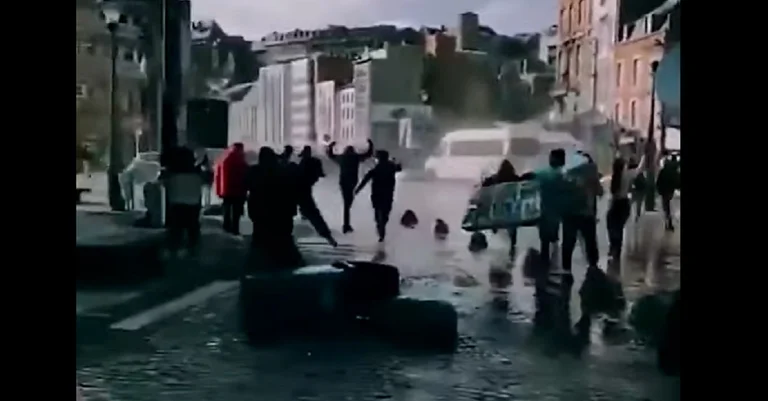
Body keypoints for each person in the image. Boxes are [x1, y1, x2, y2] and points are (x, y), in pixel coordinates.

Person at [246, 147, 304, 269]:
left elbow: (246, 185)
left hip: (259, 213)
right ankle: (285, 266)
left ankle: (257, 268)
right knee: (283, 241)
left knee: (259, 241)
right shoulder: (282, 172)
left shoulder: (253, 171)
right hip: (280, 215)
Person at [560, 151, 603, 283]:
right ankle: (593, 266)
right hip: (586, 213)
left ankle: (566, 269)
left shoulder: (567, 172)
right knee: (590, 240)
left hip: (570, 213)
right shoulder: (591, 171)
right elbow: (599, 191)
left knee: (568, 242)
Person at [161, 146, 203, 258]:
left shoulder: (172, 173)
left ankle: (174, 250)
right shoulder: (196, 172)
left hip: (176, 203)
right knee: (192, 227)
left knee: (176, 229)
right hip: (193, 203)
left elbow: (164, 183)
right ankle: (192, 250)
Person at [327, 139, 374, 233]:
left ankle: (346, 223)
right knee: (348, 202)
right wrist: (370, 144)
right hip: (352, 182)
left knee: (347, 202)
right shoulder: (355, 158)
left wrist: (331, 146)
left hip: (344, 182)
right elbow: (368, 154)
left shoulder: (342, 158)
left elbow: (330, 155)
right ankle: (346, 225)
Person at [355, 150, 402, 242]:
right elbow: (399, 168)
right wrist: (396, 162)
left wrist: (358, 190)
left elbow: (365, 179)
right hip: (388, 194)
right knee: (385, 213)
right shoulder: (391, 167)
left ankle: (380, 228)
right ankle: (382, 227)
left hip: (377, 194)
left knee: (378, 213)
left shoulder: (376, 169)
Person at [606, 154, 645, 260]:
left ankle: (613, 247)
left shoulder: (613, 177)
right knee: (619, 228)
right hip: (624, 204)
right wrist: (644, 156)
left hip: (614, 204)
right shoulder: (627, 175)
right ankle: (617, 250)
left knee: (612, 227)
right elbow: (639, 169)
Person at [481, 160, 522, 260]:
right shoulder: (514, 178)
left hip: (498, 206)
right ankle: (512, 246)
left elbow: (486, 185)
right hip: (511, 207)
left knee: (496, 220)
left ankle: (495, 229)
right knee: (512, 229)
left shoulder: (495, 178)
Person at [215, 143, 249, 235]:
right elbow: (245, 175)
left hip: (225, 190)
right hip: (238, 190)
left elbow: (217, 175)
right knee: (236, 211)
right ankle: (235, 228)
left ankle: (226, 226)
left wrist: (218, 190)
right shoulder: (240, 160)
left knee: (226, 207)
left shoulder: (223, 158)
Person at [656, 155, 680, 231]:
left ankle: (667, 221)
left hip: (664, 191)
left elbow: (658, 182)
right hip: (671, 191)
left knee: (666, 207)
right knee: (670, 207)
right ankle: (669, 222)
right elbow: (678, 181)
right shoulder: (674, 171)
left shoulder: (663, 171)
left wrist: (659, 190)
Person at [629, 157, 647, 221]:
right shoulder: (638, 169)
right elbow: (643, 179)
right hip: (641, 189)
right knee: (638, 203)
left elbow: (630, 181)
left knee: (631, 201)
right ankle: (637, 215)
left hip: (635, 189)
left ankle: (631, 214)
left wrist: (629, 189)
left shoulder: (630, 170)